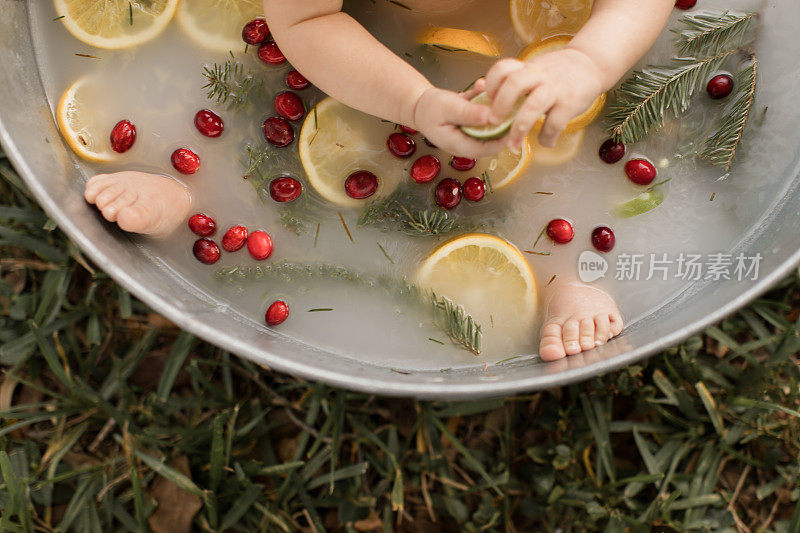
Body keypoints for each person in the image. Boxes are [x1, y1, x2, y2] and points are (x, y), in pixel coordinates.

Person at [85, 0, 675, 360]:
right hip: (348, 47)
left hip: (538, 42)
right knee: (265, 96)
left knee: (546, 150)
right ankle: (193, 190)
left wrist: (587, 60)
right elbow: (306, 18)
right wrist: (413, 100)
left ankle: (559, 273)